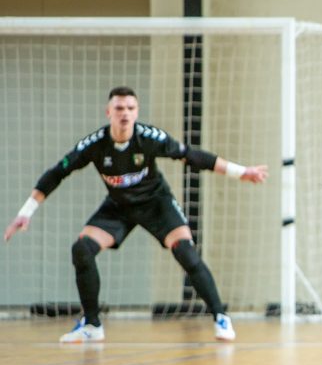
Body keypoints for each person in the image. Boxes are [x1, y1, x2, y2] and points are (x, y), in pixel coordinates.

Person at [4, 86, 268, 343]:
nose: (125, 113)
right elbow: (56, 173)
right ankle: (92, 325)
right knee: (82, 249)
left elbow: (191, 156)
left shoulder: (150, 138)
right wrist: (26, 212)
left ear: (137, 111)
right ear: (108, 112)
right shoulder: (94, 144)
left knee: (185, 251)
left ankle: (221, 317)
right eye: (119, 108)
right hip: (118, 207)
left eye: (130, 108)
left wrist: (242, 172)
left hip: (156, 203)